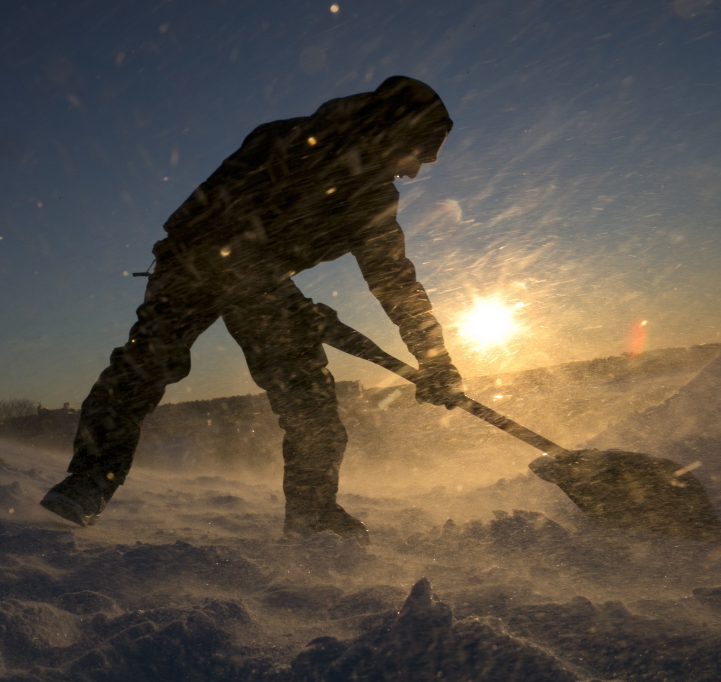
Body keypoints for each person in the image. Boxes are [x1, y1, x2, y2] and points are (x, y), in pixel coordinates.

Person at [41, 76, 463, 544]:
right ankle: (86, 483)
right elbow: (224, 223)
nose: (414, 172)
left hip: (267, 288)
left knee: (309, 397)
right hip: (192, 262)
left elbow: (394, 280)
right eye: (414, 154)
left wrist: (436, 358)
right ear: (386, 129)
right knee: (146, 365)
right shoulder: (285, 141)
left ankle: (312, 512)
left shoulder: (374, 197)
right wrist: (281, 299)